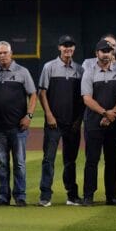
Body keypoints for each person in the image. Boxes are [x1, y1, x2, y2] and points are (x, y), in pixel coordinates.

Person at [0, 41, 37, 207]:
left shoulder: (22, 72)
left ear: (11, 53)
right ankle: (3, 197)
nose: (2, 56)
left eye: (5, 53)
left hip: (18, 127)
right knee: (2, 164)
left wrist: (29, 116)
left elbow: (33, 94)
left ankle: (20, 196)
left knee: (19, 163)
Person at [80, 39, 116, 206]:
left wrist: (111, 114)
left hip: (114, 122)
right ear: (97, 54)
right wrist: (104, 112)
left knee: (112, 160)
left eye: (109, 51)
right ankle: (88, 195)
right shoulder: (89, 72)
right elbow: (86, 98)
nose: (106, 54)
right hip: (94, 122)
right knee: (92, 159)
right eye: (103, 51)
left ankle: (111, 196)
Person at [37, 35, 84, 207]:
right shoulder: (49, 67)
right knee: (48, 159)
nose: (68, 49)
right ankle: (45, 195)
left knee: (70, 160)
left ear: (74, 49)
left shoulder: (80, 70)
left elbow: (83, 98)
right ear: (59, 48)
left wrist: (79, 120)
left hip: (72, 123)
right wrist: (49, 115)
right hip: (54, 123)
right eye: (65, 46)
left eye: (71, 46)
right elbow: (42, 93)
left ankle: (72, 195)